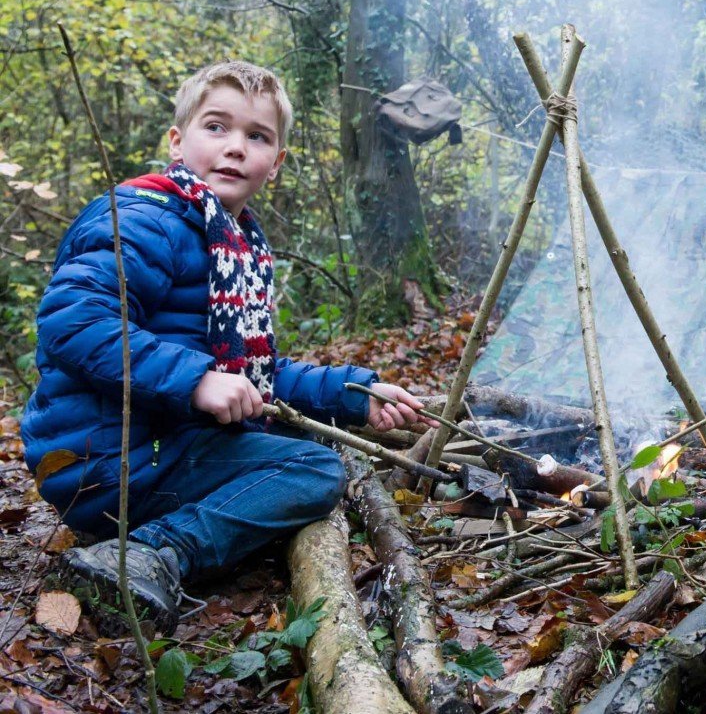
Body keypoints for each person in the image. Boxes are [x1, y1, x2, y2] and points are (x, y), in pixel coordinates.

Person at [20, 61, 435, 632]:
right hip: (107, 461)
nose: (235, 147)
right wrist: (196, 380)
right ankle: (154, 553)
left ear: (276, 162)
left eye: (257, 136)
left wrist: (353, 394)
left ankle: (157, 537)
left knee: (300, 439)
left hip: (156, 446)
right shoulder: (147, 219)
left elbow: (252, 376)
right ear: (177, 140)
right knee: (314, 469)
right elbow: (73, 321)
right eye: (216, 127)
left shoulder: (232, 243)